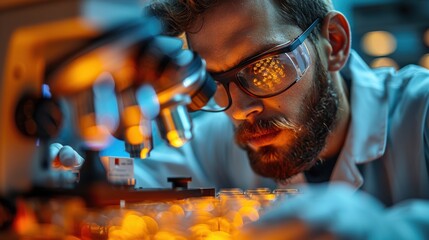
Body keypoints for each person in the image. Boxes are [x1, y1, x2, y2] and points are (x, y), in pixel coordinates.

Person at [51, 0, 429, 238]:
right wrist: (63, 177)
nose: (238, 109)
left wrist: (380, 231)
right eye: (213, 82)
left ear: (335, 44)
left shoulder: (420, 111)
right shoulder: (220, 137)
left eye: (265, 68)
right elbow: (134, 187)